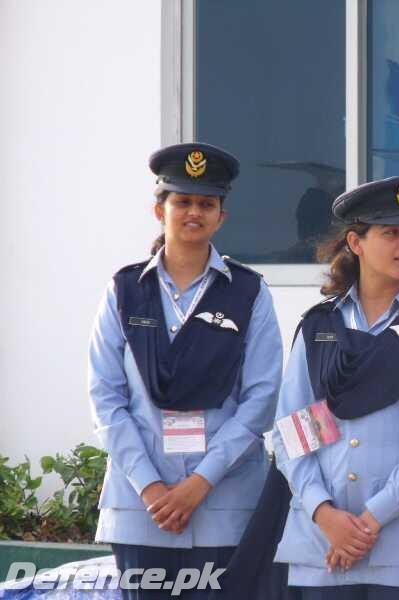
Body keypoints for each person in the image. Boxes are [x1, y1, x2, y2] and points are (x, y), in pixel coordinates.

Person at [88, 143, 283, 599]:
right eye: (182, 201)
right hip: (141, 507)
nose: (194, 212)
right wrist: (152, 487)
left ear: (221, 217)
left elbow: (261, 399)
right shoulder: (124, 290)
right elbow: (106, 398)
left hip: (225, 505)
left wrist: (200, 483)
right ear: (160, 210)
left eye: (206, 203)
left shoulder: (249, 292)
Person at [273, 176, 399, 600]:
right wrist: (324, 513)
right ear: (356, 242)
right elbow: (293, 429)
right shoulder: (319, 327)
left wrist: (370, 520)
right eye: (391, 233)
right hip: (321, 549)